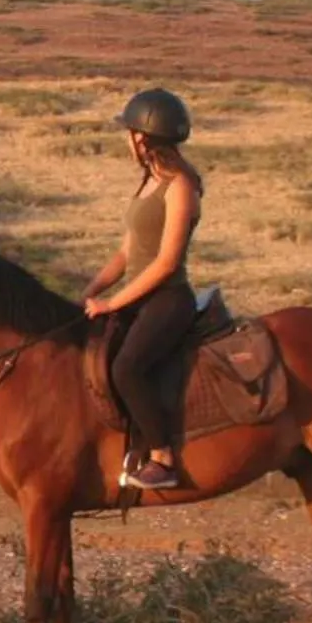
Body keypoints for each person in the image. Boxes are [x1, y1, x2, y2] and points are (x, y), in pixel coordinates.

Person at [81, 89, 203, 492]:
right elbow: (127, 252)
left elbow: (166, 262)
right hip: (138, 295)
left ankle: (163, 458)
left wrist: (113, 302)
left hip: (167, 298)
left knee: (127, 368)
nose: (126, 140)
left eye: (129, 132)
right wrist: (92, 290)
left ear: (144, 138)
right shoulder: (150, 181)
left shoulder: (181, 185)